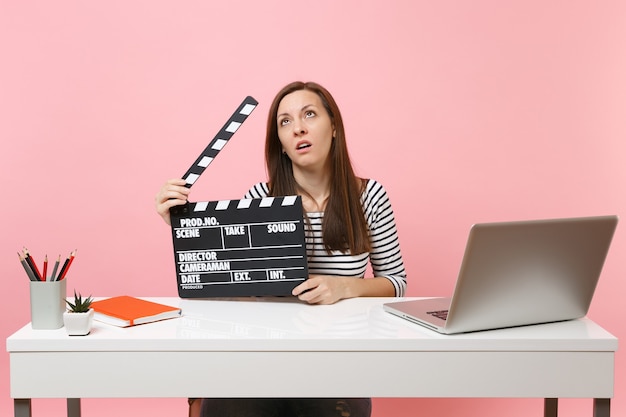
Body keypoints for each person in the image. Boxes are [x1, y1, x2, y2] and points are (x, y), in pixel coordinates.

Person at [155, 81, 407, 417]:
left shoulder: (369, 197)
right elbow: (230, 284)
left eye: (309, 114)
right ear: (282, 145)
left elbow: (396, 282)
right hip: (262, 358)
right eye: (285, 122)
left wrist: (345, 287)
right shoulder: (260, 199)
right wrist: (181, 225)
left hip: (337, 360)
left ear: (333, 127)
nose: (298, 128)